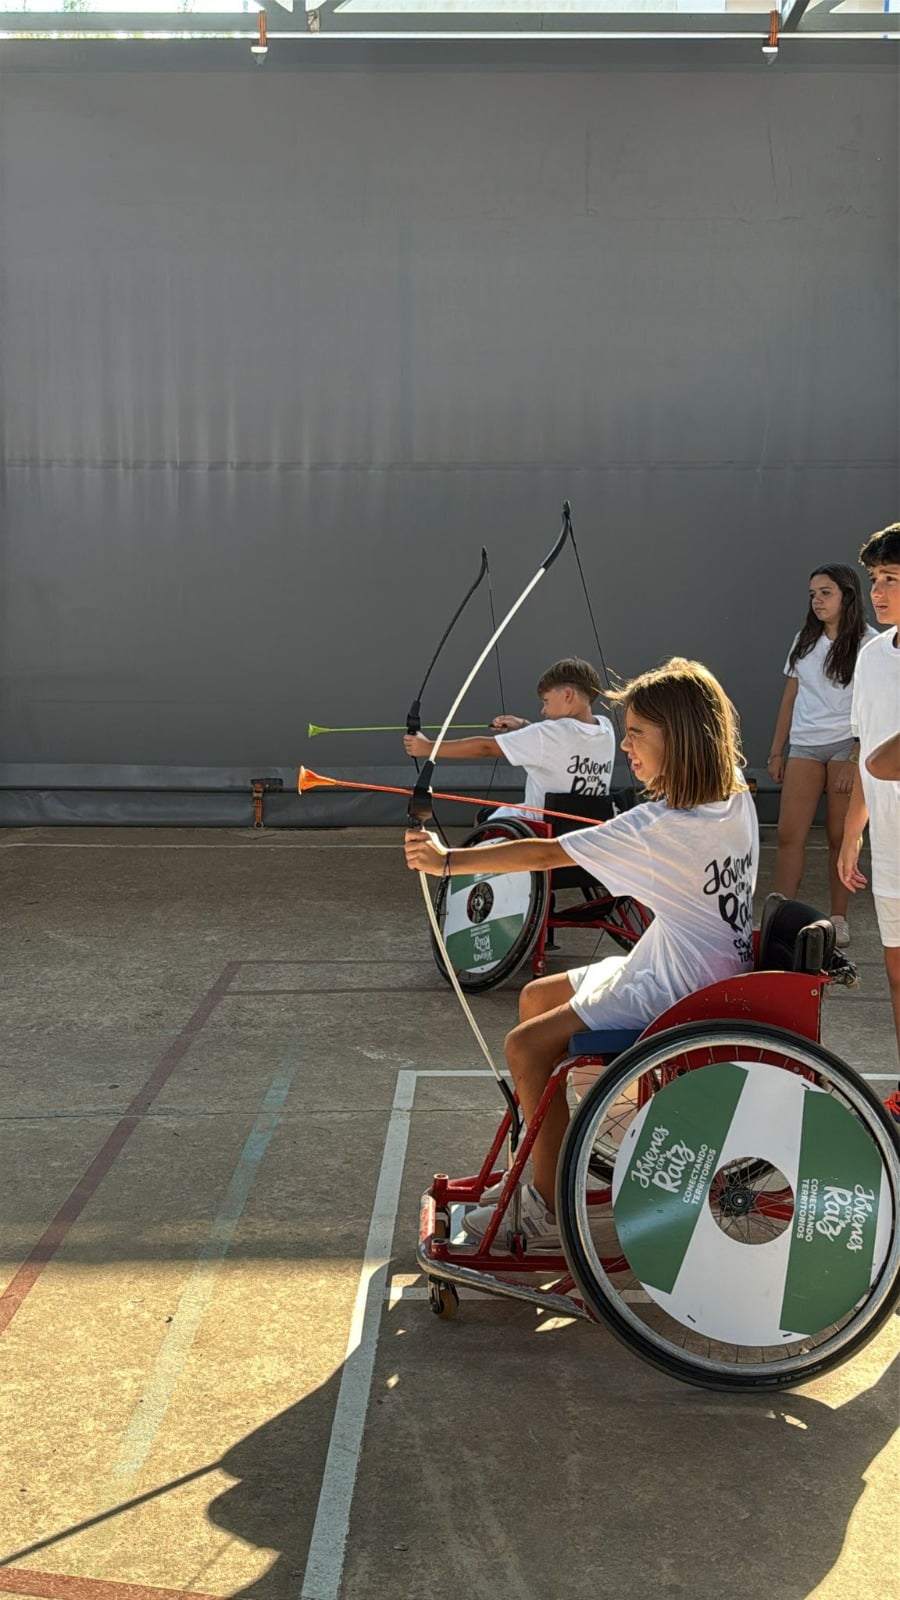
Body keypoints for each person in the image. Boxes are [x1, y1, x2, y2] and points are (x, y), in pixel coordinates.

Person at [405, 657, 758, 1247]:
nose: (626, 746)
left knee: (524, 1045)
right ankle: (541, 1166)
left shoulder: (660, 828)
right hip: (698, 969)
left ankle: (546, 1208)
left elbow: (546, 854)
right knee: (536, 997)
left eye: (637, 733)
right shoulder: (735, 794)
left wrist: (447, 862)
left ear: (679, 738)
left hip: (680, 991)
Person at [767, 565, 878, 947]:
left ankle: (838, 918)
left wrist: (855, 757)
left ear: (848, 595)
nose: (817, 600)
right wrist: (777, 751)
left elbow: (873, 707)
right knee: (789, 834)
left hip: (847, 746)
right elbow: (790, 698)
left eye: (826, 593)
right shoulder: (804, 640)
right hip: (805, 746)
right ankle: (781, 916)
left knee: (839, 837)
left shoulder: (869, 643)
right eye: (813, 594)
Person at [837, 523, 900, 1111]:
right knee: (897, 973)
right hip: (890, 851)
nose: (878, 591)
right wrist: (852, 834)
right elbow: (867, 755)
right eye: (876, 578)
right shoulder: (872, 656)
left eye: (892, 579)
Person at [403, 657, 616, 820]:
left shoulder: (547, 734)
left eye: (546, 701)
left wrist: (427, 747)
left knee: (484, 818)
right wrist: (523, 726)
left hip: (542, 829)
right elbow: (564, 744)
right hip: (589, 826)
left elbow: (485, 748)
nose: (543, 711)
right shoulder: (605, 728)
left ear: (568, 695)